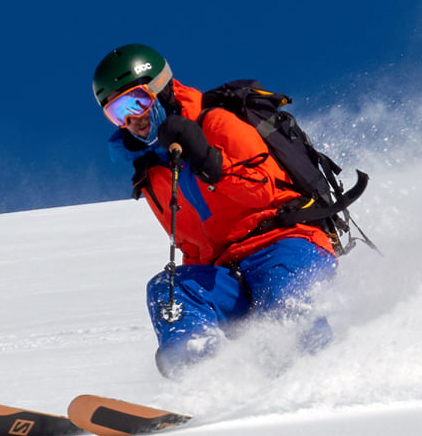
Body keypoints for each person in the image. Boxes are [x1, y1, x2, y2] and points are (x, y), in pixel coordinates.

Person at [92, 43, 336, 378]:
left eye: (137, 102)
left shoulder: (217, 123)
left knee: (283, 307)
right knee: (168, 291)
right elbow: (196, 243)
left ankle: (322, 378)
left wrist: (209, 160)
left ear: (160, 90)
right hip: (227, 274)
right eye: (118, 113)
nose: (133, 119)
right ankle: (204, 384)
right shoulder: (152, 171)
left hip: (286, 243)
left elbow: (262, 188)